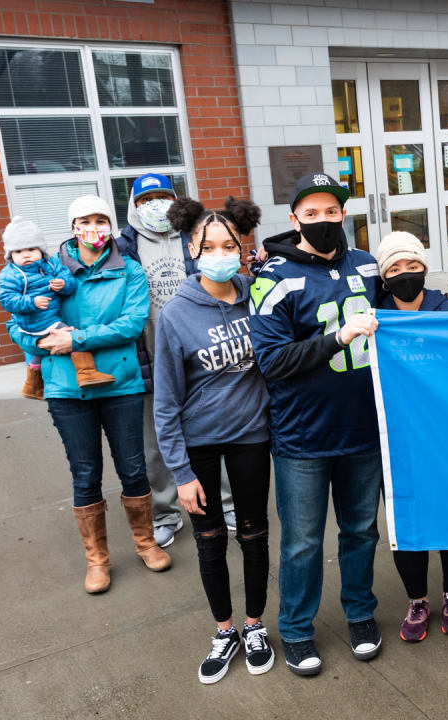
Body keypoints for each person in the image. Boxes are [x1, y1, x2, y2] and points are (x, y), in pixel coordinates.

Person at [247, 173, 386, 676]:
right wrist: (338, 338)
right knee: (303, 542)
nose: (323, 220)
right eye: (312, 213)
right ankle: (297, 629)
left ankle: (360, 613)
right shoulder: (273, 278)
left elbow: (399, 318)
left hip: (363, 429)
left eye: (331, 211)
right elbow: (272, 361)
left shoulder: (366, 264)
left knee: (361, 532)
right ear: (294, 219)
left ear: (344, 214)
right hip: (303, 435)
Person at [7, 195, 171, 594]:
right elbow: (17, 324)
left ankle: (146, 543)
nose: (93, 228)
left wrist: (76, 339)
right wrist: (42, 343)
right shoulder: (47, 269)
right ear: (73, 226)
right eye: (85, 220)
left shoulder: (129, 270)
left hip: (121, 383)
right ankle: (97, 560)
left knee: (133, 468)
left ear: (111, 226)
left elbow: (132, 323)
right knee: (85, 473)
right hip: (66, 388)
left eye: (101, 220)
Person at [152, 197, 275, 684]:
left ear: (243, 247)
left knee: (254, 534)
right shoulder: (175, 315)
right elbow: (165, 402)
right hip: (198, 442)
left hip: (250, 436)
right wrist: (181, 474)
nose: (220, 254)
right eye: (209, 247)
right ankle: (225, 632)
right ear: (192, 249)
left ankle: (255, 625)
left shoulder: (257, 294)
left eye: (230, 245)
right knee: (209, 541)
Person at [115, 173, 235, 549]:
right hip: (149, 354)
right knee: (155, 441)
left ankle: (225, 502)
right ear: (134, 206)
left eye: (162, 196)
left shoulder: (193, 235)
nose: (155, 205)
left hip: (199, 352)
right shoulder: (124, 246)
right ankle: (165, 512)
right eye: (146, 199)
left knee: (214, 429)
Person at [373, 231, 448, 641]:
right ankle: (417, 600)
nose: (405, 274)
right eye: (395, 268)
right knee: (407, 515)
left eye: (413, 265)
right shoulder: (374, 315)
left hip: (447, 433)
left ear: (424, 268)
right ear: (384, 277)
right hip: (398, 438)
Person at [0, 216, 115, 399]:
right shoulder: (10, 275)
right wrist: (31, 302)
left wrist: (63, 284)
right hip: (33, 319)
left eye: (31, 249)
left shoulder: (51, 265)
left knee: (44, 349)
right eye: (18, 251)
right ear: (10, 255)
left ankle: (33, 385)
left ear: (41, 250)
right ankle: (86, 372)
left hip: (50, 315)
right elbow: (7, 300)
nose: (26, 255)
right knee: (72, 335)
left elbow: (69, 282)